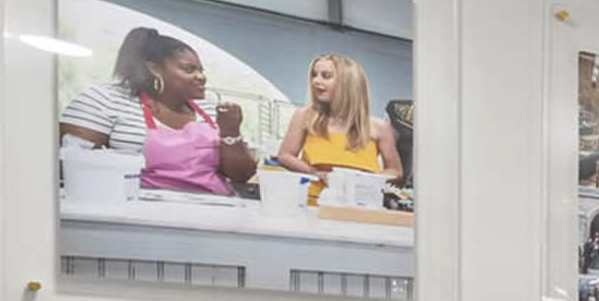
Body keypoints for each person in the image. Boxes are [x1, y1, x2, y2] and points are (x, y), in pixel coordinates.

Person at [91, 28, 253, 194]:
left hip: (213, 206)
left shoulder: (211, 110)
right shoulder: (109, 100)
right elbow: (78, 162)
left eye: (201, 70)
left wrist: (230, 131)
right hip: (142, 207)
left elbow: (242, 175)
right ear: (154, 69)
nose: (201, 77)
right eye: (189, 70)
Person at [272, 51, 399, 183]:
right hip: (313, 199)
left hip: (362, 200)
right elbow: (285, 155)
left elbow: (395, 171)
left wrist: (366, 181)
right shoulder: (305, 116)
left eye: (326, 76)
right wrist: (316, 173)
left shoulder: (380, 127)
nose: (315, 80)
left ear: (348, 83)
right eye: (314, 75)